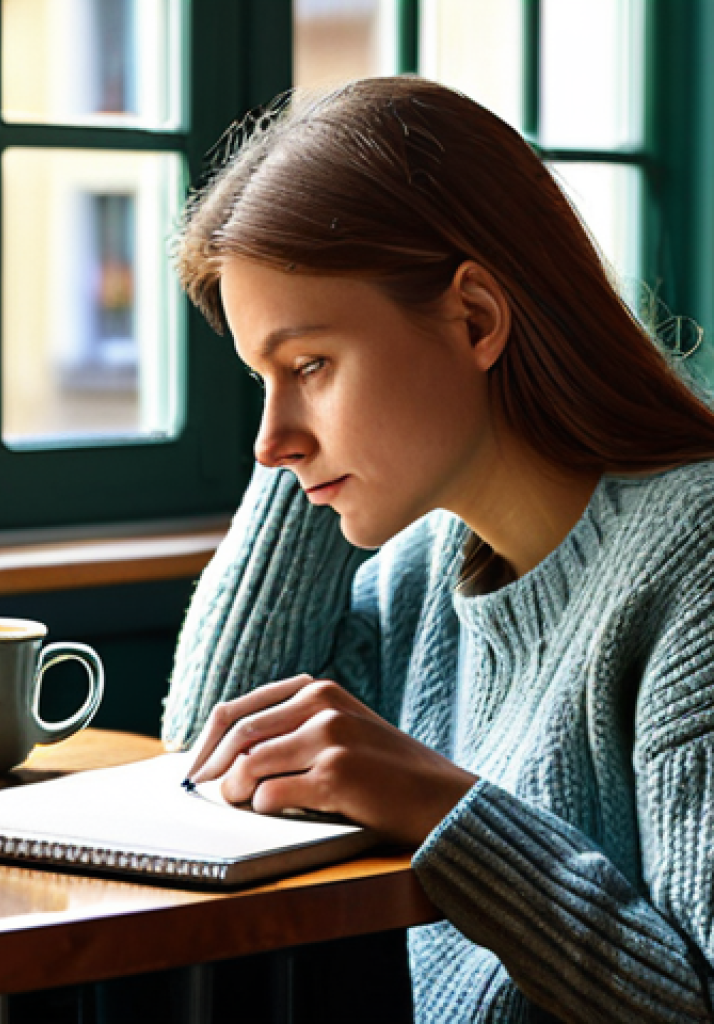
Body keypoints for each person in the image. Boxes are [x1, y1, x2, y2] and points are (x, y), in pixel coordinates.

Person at [162, 76, 714, 1023]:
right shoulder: (428, 568)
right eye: (263, 378)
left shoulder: (696, 562)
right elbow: (215, 749)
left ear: (476, 320)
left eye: (312, 366)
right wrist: (315, 437)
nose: (267, 441)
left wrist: (442, 807)